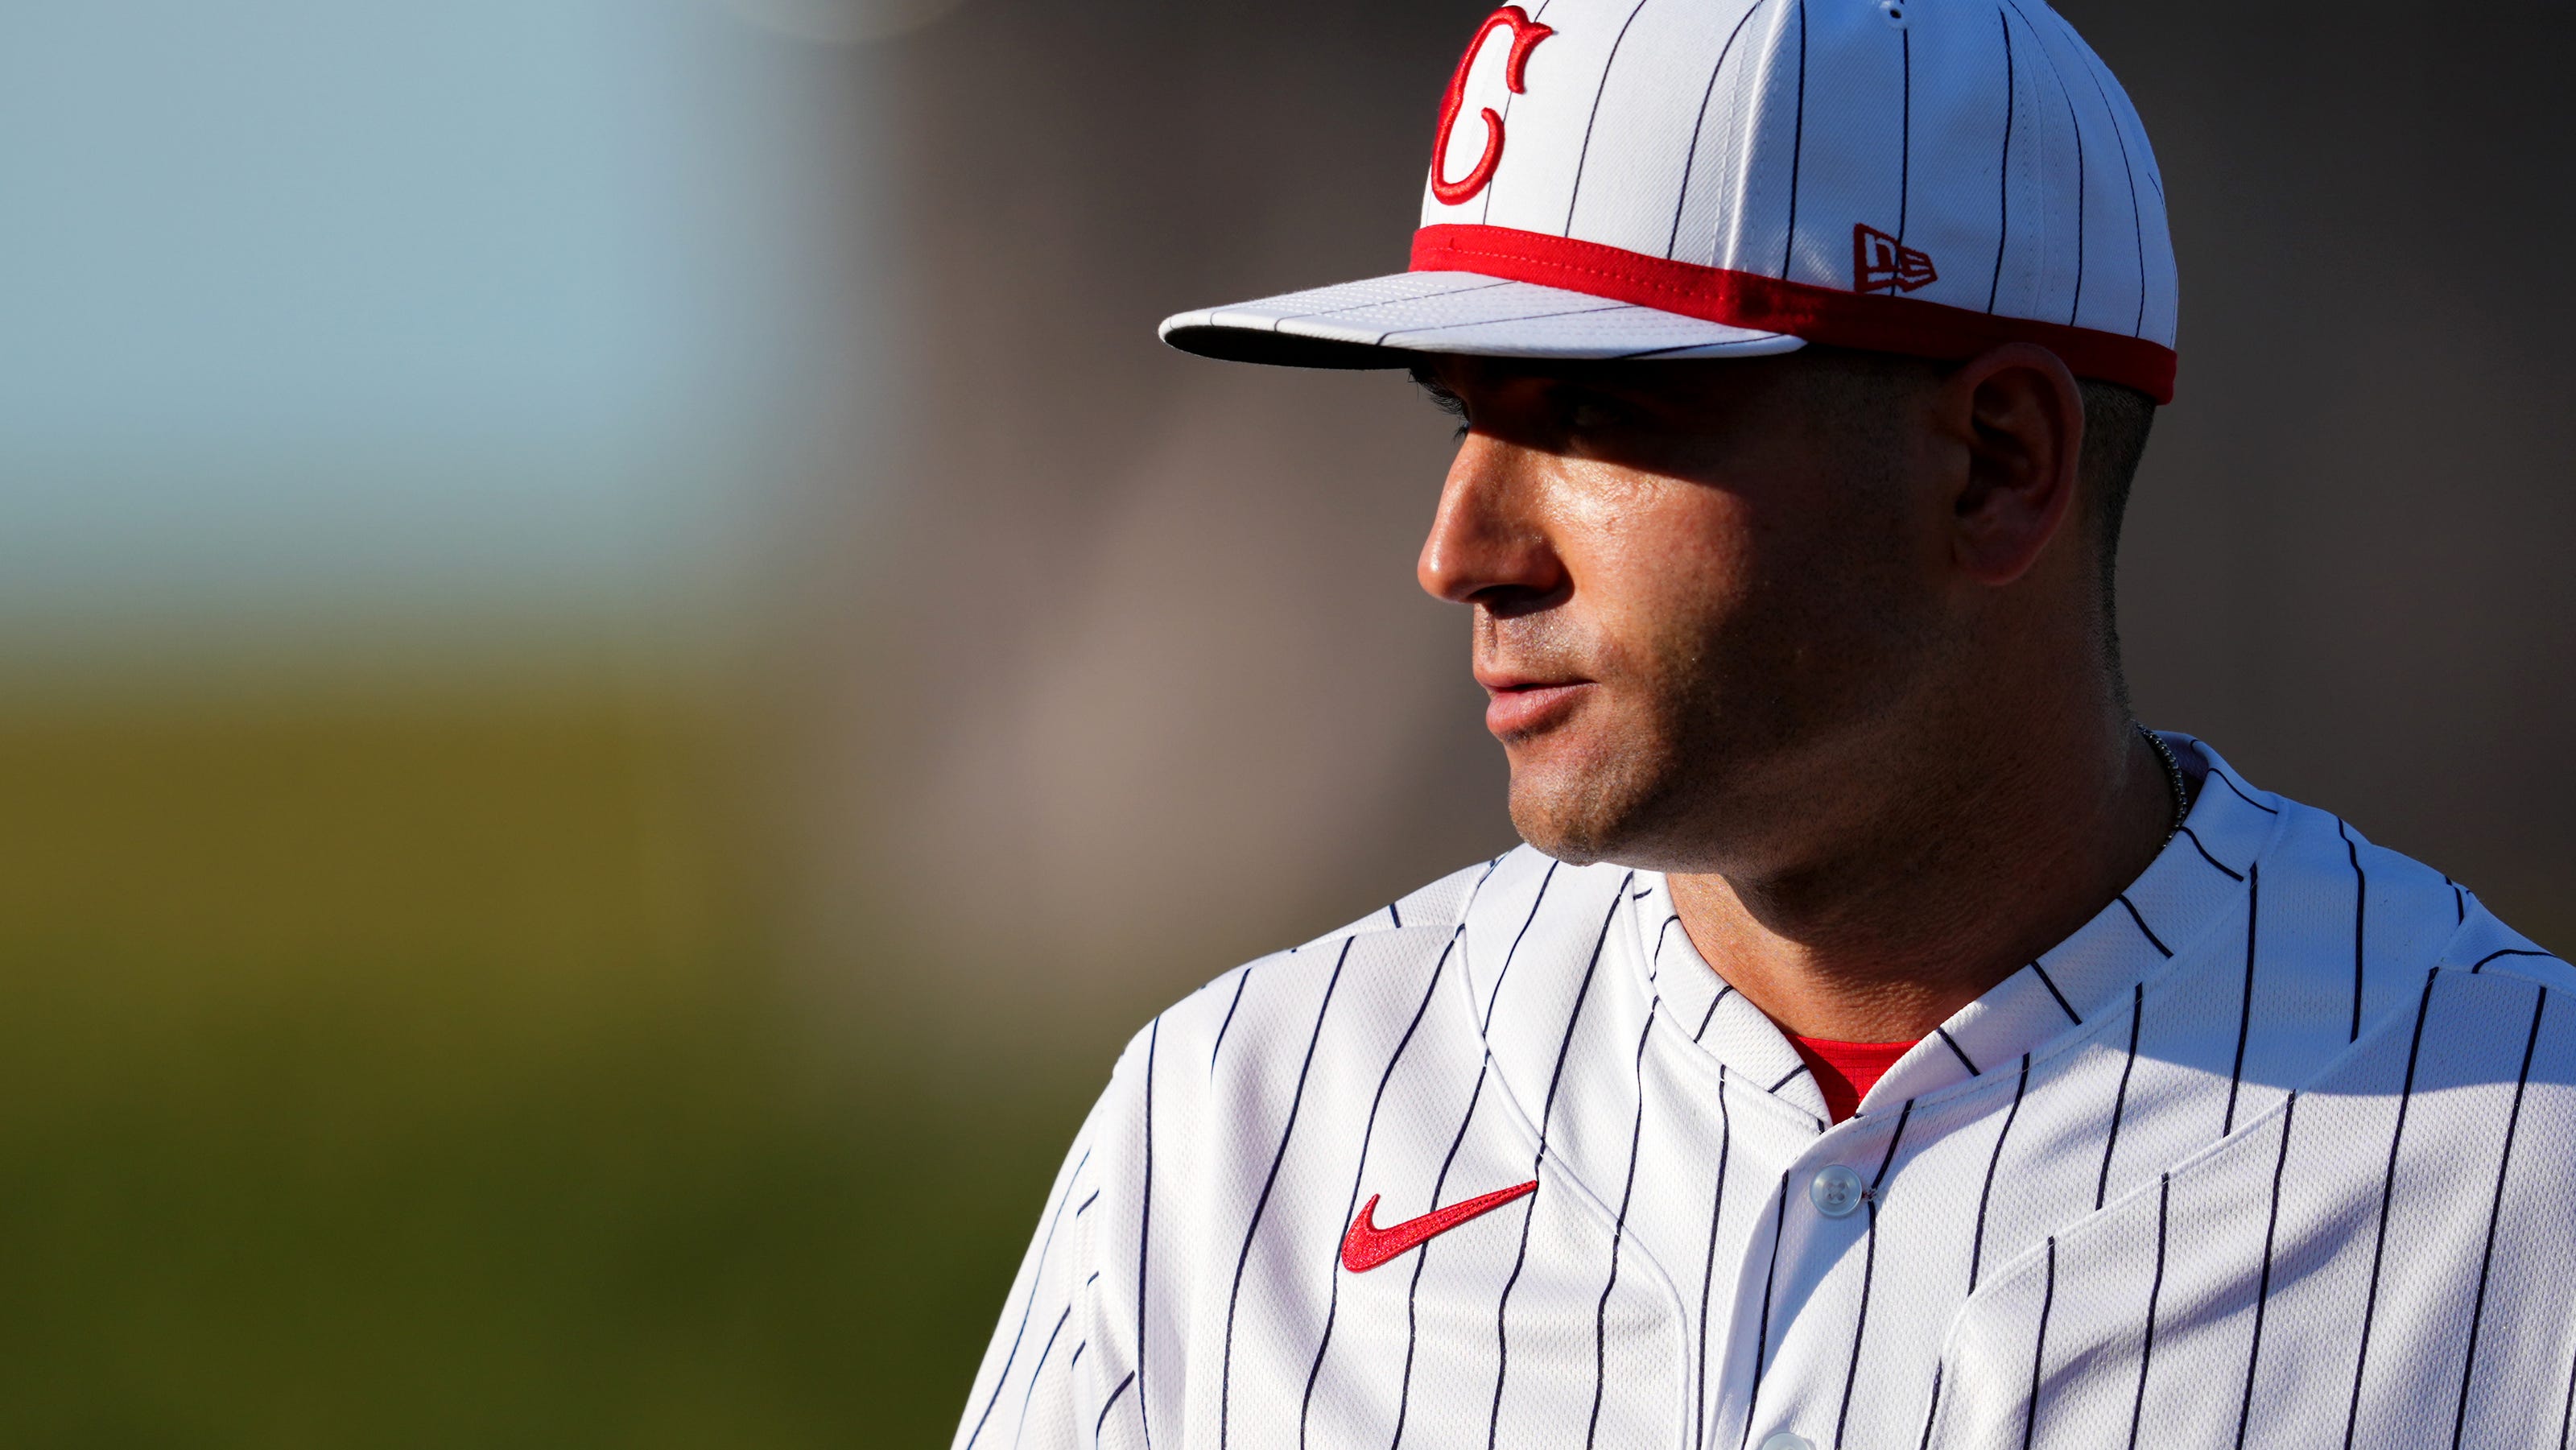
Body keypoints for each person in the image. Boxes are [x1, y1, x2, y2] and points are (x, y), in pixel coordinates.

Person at [954, 2, 2574, 1447]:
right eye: (1462, 411)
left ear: (1995, 464)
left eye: (1595, 410)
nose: (1460, 549)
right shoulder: (1237, 1123)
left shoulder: (2527, 1164)